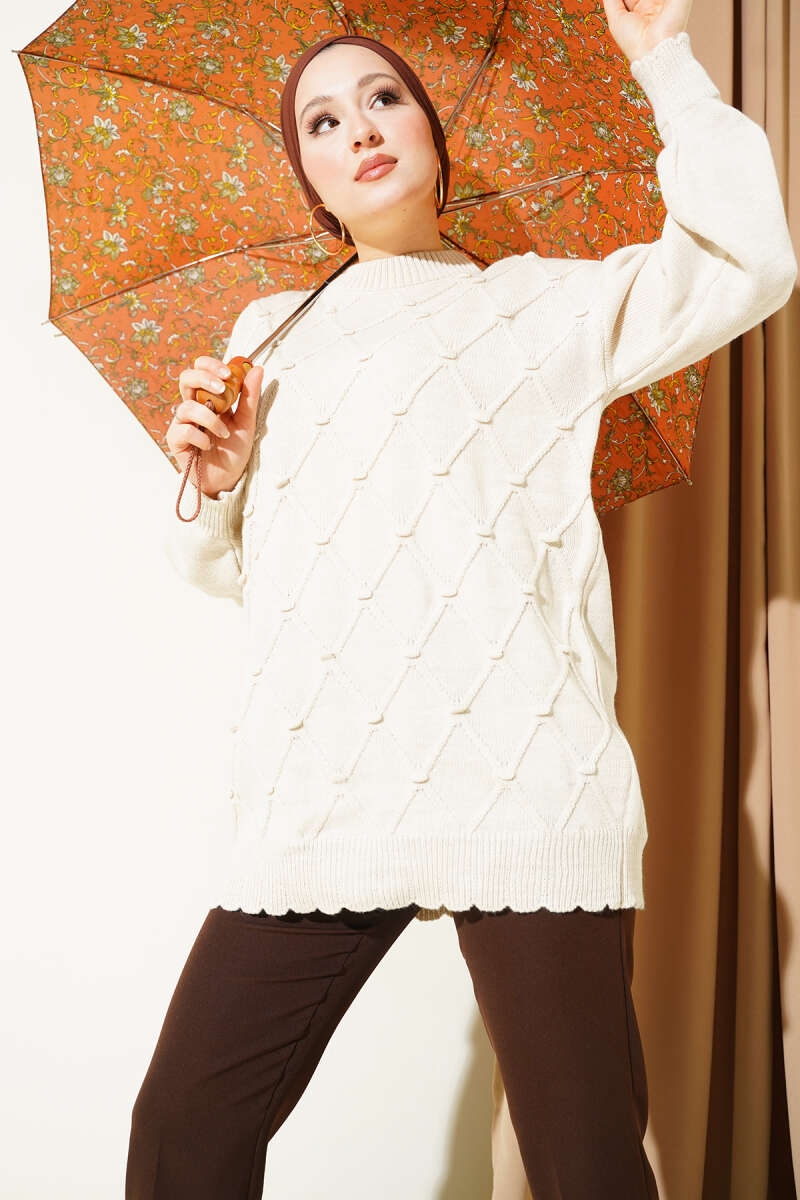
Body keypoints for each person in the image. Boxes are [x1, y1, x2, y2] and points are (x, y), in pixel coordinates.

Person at [125, 0, 797, 1195]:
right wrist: (215, 487)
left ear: (433, 135)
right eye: (322, 121)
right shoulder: (265, 338)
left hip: (524, 789)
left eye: (383, 99)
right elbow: (233, 577)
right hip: (322, 794)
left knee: (586, 1163)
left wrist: (664, 63)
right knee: (182, 1127)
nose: (358, 129)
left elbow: (748, 259)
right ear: (307, 179)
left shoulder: (539, 304)